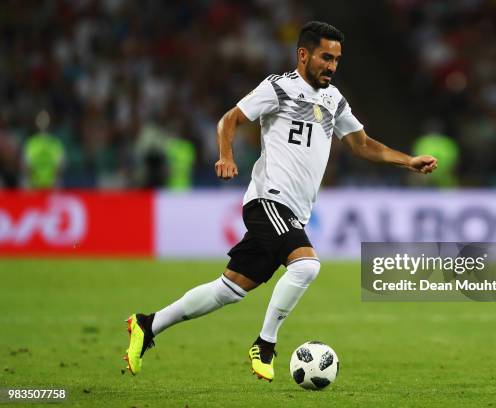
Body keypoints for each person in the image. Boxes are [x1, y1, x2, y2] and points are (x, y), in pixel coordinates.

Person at [123, 21, 437, 381]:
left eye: (336, 59)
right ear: (303, 55)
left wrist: (407, 161)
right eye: (325, 57)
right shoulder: (279, 88)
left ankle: (147, 325)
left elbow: (361, 144)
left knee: (229, 289)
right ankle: (265, 344)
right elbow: (230, 120)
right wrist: (226, 155)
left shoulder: (334, 100)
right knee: (306, 265)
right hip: (267, 200)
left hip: (294, 212)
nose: (332, 66)